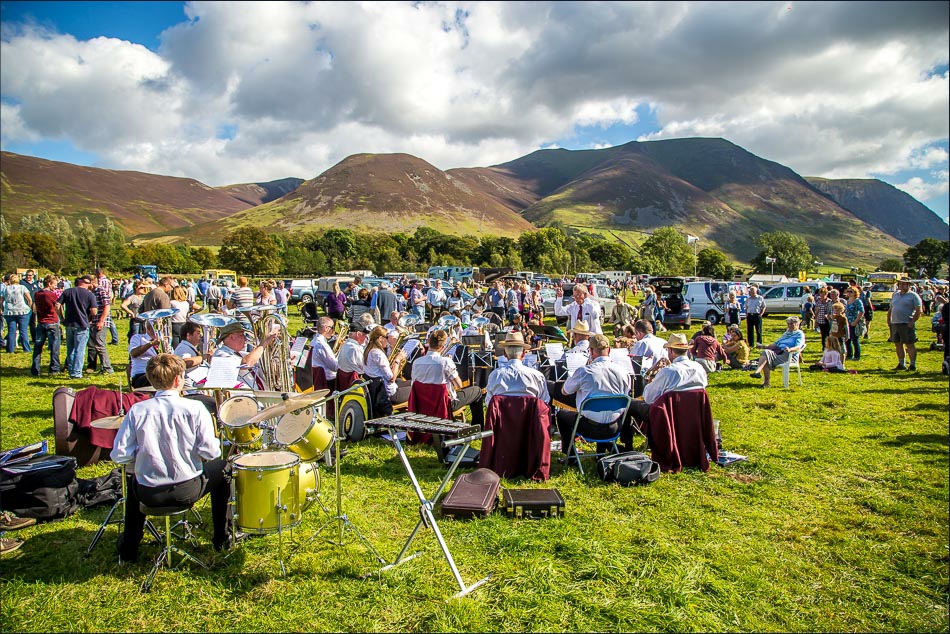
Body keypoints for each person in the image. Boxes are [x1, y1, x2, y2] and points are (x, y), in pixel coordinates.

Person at [111, 354, 231, 561]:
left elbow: (120, 454)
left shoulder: (137, 410)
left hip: (147, 493)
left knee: (133, 477)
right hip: (186, 489)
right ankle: (221, 537)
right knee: (223, 469)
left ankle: (130, 545)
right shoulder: (195, 408)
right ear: (178, 380)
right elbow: (211, 452)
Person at [555, 334, 636, 454]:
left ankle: (570, 454)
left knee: (562, 415)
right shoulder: (623, 371)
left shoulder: (584, 371)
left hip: (589, 428)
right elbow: (624, 395)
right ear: (609, 350)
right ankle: (603, 451)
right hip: (615, 426)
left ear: (591, 351)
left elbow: (565, 391)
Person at [628, 332, 708, 432]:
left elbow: (648, 398)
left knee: (628, 402)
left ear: (670, 351)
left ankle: (628, 443)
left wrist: (652, 378)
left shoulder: (668, 371)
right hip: (693, 414)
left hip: (667, 415)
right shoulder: (699, 368)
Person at [411, 329, 484, 428]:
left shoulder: (416, 362)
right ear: (442, 347)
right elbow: (459, 385)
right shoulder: (446, 362)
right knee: (477, 391)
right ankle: (478, 426)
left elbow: (414, 385)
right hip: (444, 404)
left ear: (428, 342)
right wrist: (451, 365)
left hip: (423, 403)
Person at [484, 331, 550, 406]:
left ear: (505, 354)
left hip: (502, 417)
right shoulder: (537, 376)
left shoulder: (494, 375)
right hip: (529, 417)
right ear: (524, 353)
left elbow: (489, 403)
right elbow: (544, 403)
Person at [212, 320, 279, 390]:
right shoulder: (221, 354)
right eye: (241, 335)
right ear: (232, 336)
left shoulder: (241, 354)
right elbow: (246, 364)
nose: (245, 338)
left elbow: (263, 365)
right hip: (242, 397)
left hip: (260, 395)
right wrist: (264, 343)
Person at [749, 316, 806, 388]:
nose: (789, 326)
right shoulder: (786, 333)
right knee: (765, 353)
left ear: (797, 324)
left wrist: (790, 349)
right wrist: (762, 346)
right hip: (779, 353)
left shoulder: (799, 334)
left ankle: (762, 377)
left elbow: (798, 346)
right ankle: (759, 375)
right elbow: (775, 344)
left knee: (766, 357)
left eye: (791, 324)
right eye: (788, 324)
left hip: (789, 356)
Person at [59, 275, 98, 379]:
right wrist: (90, 316)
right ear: (89, 283)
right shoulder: (90, 295)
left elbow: (57, 305)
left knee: (70, 349)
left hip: (69, 324)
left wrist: (61, 317)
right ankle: (76, 373)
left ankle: (71, 370)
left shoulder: (67, 292)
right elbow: (94, 311)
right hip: (82, 324)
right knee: (79, 350)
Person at [363, 325, 410, 409]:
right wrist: (397, 359)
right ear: (380, 338)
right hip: (389, 393)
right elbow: (391, 378)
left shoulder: (368, 350)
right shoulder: (378, 354)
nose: (388, 341)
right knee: (416, 386)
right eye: (387, 337)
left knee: (412, 382)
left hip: (380, 388)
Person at [887, 278, 922, 371]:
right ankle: (901, 363)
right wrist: (888, 319)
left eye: (905, 284)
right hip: (895, 322)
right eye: (901, 284)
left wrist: (912, 321)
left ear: (909, 285)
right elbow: (891, 308)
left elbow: (918, 310)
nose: (902, 286)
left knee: (909, 344)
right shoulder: (895, 294)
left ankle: (912, 364)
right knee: (897, 344)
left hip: (906, 323)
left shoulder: (913, 296)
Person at [31, 274, 62, 376]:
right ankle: (54, 369)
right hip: (52, 321)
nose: (55, 287)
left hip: (41, 322)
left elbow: (34, 308)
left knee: (38, 347)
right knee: (54, 347)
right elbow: (58, 306)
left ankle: (35, 369)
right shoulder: (50, 295)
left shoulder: (37, 294)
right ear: (49, 283)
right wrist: (62, 317)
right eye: (54, 284)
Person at [1, 272, 33, 354]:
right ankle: (26, 349)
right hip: (22, 310)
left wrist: (2, 308)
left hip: (9, 311)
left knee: (11, 331)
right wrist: (30, 307)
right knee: (23, 331)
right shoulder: (22, 287)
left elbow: (1, 301)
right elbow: (29, 299)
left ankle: (10, 349)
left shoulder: (5, 288)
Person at [128, 319, 165, 389]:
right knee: (161, 379)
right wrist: (151, 344)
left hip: (160, 374)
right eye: (157, 326)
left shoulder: (164, 341)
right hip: (141, 375)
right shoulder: (138, 338)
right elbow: (133, 353)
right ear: (148, 327)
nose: (159, 329)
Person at [309, 317, 339, 391]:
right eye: (332, 327)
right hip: (327, 381)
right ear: (326, 328)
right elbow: (334, 367)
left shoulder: (314, 340)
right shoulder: (322, 344)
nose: (333, 330)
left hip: (318, 378)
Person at [844, 288, 865, 361]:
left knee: (855, 340)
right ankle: (849, 355)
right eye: (848, 291)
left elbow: (861, 311)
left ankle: (857, 356)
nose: (849, 293)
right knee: (847, 340)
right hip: (847, 322)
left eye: (851, 292)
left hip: (854, 323)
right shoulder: (847, 301)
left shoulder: (857, 301)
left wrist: (855, 321)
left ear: (855, 293)